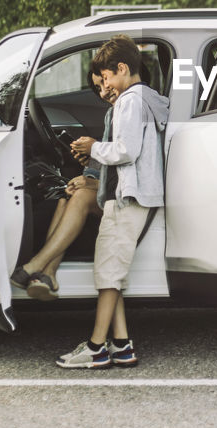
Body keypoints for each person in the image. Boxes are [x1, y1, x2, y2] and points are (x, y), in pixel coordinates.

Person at [54, 34, 170, 369]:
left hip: (127, 197)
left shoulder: (130, 102)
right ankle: (121, 344)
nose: (104, 88)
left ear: (121, 68)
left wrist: (92, 148)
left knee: (107, 275)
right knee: (113, 272)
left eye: (105, 78)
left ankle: (95, 347)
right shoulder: (148, 98)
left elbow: (126, 150)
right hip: (136, 196)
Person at [9, 70, 115, 300]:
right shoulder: (114, 114)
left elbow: (131, 167)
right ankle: (48, 274)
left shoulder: (132, 113)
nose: (103, 92)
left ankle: (34, 265)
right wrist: (90, 169)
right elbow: (109, 161)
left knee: (80, 196)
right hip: (106, 187)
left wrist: (93, 181)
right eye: (98, 88)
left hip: (122, 197)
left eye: (105, 84)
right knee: (65, 196)